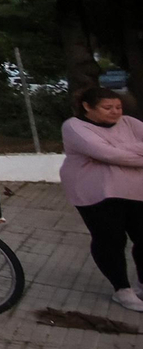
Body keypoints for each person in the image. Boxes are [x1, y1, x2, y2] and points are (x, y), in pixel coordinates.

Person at [60, 88, 143, 312]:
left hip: (136, 190)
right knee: (111, 240)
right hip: (96, 193)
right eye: (108, 108)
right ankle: (122, 289)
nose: (115, 112)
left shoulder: (130, 123)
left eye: (118, 107)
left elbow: (113, 152)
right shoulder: (74, 127)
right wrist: (132, 151)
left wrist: (121, 149)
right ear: (88, 107)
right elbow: (106, 153)